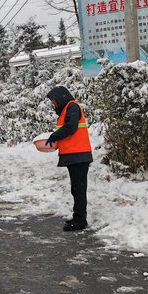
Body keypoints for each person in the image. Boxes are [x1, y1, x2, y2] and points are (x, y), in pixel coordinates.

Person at [45, 86, 93, 231]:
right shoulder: (67, 109)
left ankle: (80, 221)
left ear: (60, 98)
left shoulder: (72, 106)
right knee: (76, 189)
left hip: (79, 155)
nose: (53, 104)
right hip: (74, 155)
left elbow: (70, 127)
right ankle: (78, 217)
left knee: (79, 189)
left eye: (54, 101)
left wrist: (54, 136)